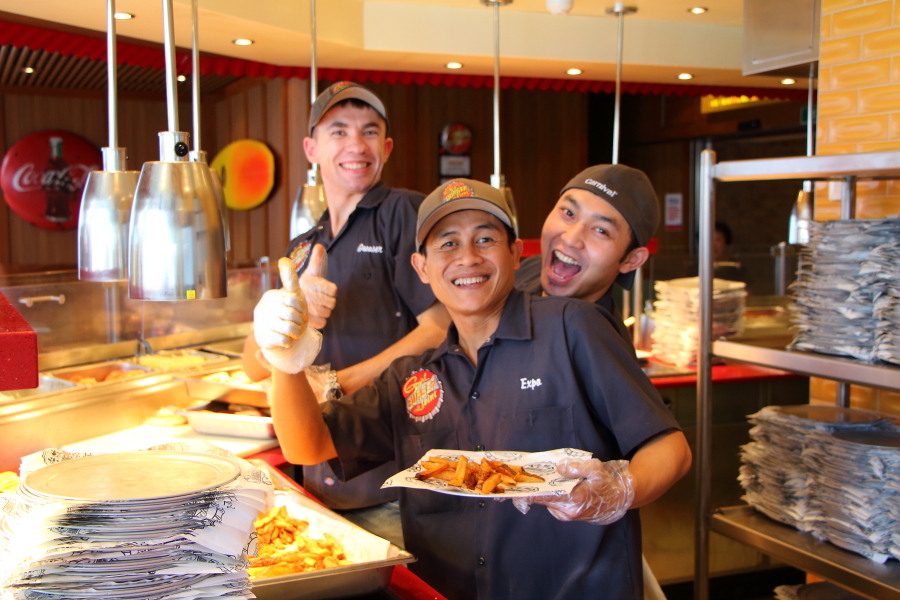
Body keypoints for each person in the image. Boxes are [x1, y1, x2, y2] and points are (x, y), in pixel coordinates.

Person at [253, 178, 692, 600]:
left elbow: (670, 447)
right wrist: (286, 361)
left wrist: (621, 490)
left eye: (485, 239)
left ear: (517, 253)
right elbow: (306, 445)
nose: (467, 257)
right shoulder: (411, 378)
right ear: (421, 268)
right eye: (447, 243)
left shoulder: (573, 327)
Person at [244, 81, 449, 543]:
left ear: (387, 146)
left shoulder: (404, 213)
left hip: (394, 489)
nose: (356, 145)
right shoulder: (303, 245)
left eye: (370, 131)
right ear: (312, 148)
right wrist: (282, 325)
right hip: (319, 482)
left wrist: (337, 383)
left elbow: (440, 327)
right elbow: (252, 362)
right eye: (339, 131)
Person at [515, 163, 658, 343]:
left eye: (601, 230)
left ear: (631, 260)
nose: (570, 239)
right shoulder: (529, 269)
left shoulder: (601, 353)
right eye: (568, 213)